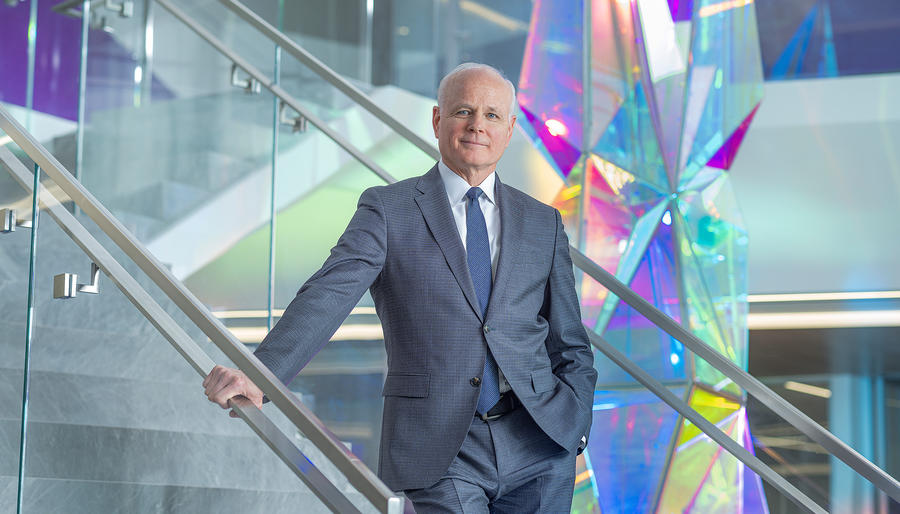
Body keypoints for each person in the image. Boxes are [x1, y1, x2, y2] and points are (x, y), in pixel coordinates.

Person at [203, 62, 598, 513]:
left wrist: (574, 425)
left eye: (491, 115)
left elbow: (569, 341)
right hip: (441, 445)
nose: (476, 126)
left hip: (539, 440)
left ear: (509, 130)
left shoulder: (542, 221)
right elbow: (327, 295)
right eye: (463, 111)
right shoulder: (389, 210)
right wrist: (259, 374)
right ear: (437, 120)